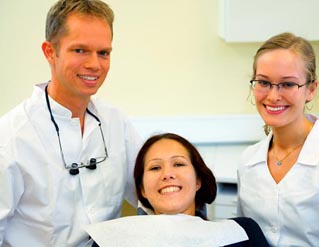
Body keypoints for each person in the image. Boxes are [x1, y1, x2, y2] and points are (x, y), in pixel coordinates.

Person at [0, 0, 142, 246]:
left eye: (103, 53)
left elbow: (151, 194)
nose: (94, 64)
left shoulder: (117, 123)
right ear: (49, 52)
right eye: (80, 50)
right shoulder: (11, 138)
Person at [237, 32, 319, 246]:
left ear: (311, 90)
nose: (273, 96)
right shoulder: (248, 161)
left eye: (287, 84)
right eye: (263, 82)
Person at [132, 133, 269, 247]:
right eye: (155, 167)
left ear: (198, 181)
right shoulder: (121, 240)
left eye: (178, 164)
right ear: (142, 189)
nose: (167, 174)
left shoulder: (242, 234)